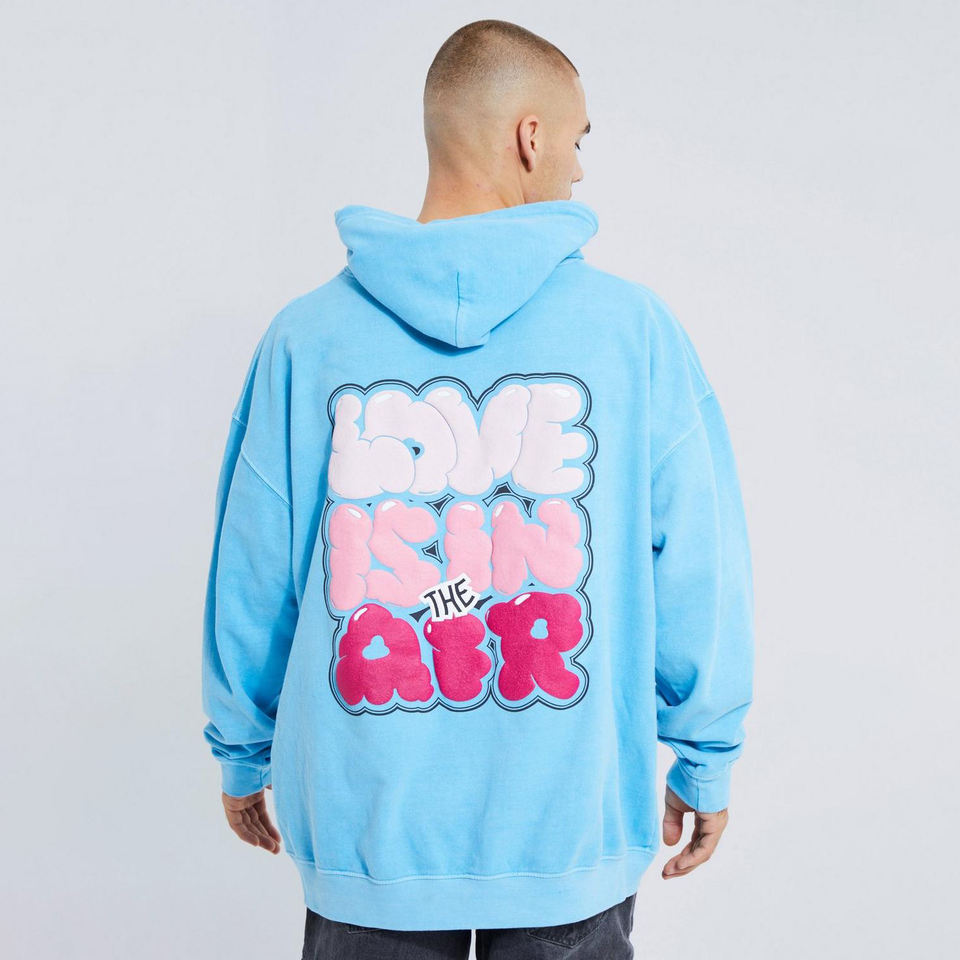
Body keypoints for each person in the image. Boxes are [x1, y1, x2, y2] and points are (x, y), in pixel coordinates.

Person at [201, 18, 754, 960]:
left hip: (369, 830)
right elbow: (699, 560)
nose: (578, 168)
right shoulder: (631, 333)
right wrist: (705, 754)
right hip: (567, 827)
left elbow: (255, 566)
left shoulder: (306, 340)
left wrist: (241, 746)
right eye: (577, 140)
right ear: (530, 137)